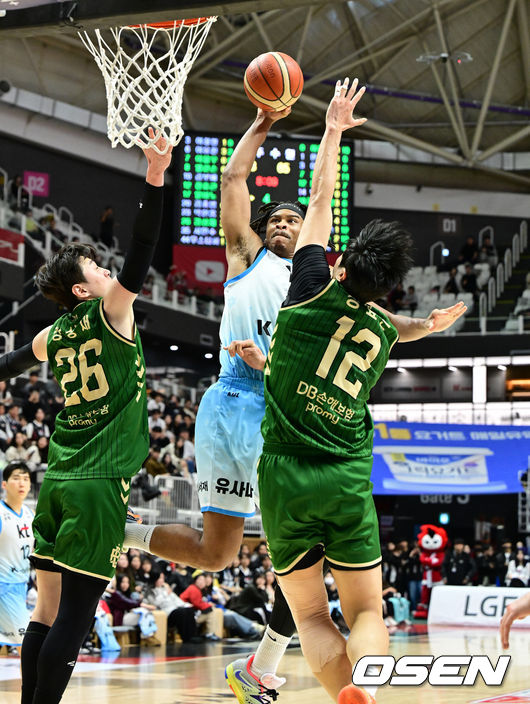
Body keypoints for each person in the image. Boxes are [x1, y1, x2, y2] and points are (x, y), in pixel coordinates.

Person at [224, 77, 466, 704]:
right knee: (366, 613)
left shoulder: (307, 287)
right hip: (346, 475)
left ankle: (347, 694)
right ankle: (368, 691)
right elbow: (394, 324)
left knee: (310, 616)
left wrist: (332, 129)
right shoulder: (381, 331)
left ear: (338, 264)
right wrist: (427, 326)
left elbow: (321, 197)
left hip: (284, 475)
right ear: (386, 291)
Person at [124, 106, 308, 700]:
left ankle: (256, 667)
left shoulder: (317, 289)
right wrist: (263, 121)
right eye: (275, 218)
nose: (282, 224)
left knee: (226, 554)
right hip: (233, 401)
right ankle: (120, 534)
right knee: (243, 550)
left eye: (293, 220)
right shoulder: (247, 256)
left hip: (278, 411)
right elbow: (233, 179)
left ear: (309, 234)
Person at [0, 129, 172, 704]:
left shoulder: (53, 335)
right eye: (96, 267)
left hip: (58, 481)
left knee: (46, 610)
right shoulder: (112, 311)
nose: (106, 270)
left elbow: (7, 367)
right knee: (75, 614)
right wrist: (155, 177)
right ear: (82, 288)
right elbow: (143, 247)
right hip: (98, 482)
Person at [0, 462, 34, 651]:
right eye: (16, 478)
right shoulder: (1, 513)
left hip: (21, 586)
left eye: (26, 479)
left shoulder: (30, 514)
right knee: (26, 646)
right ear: (4, 484)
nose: (22, 483)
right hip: (4, 587)